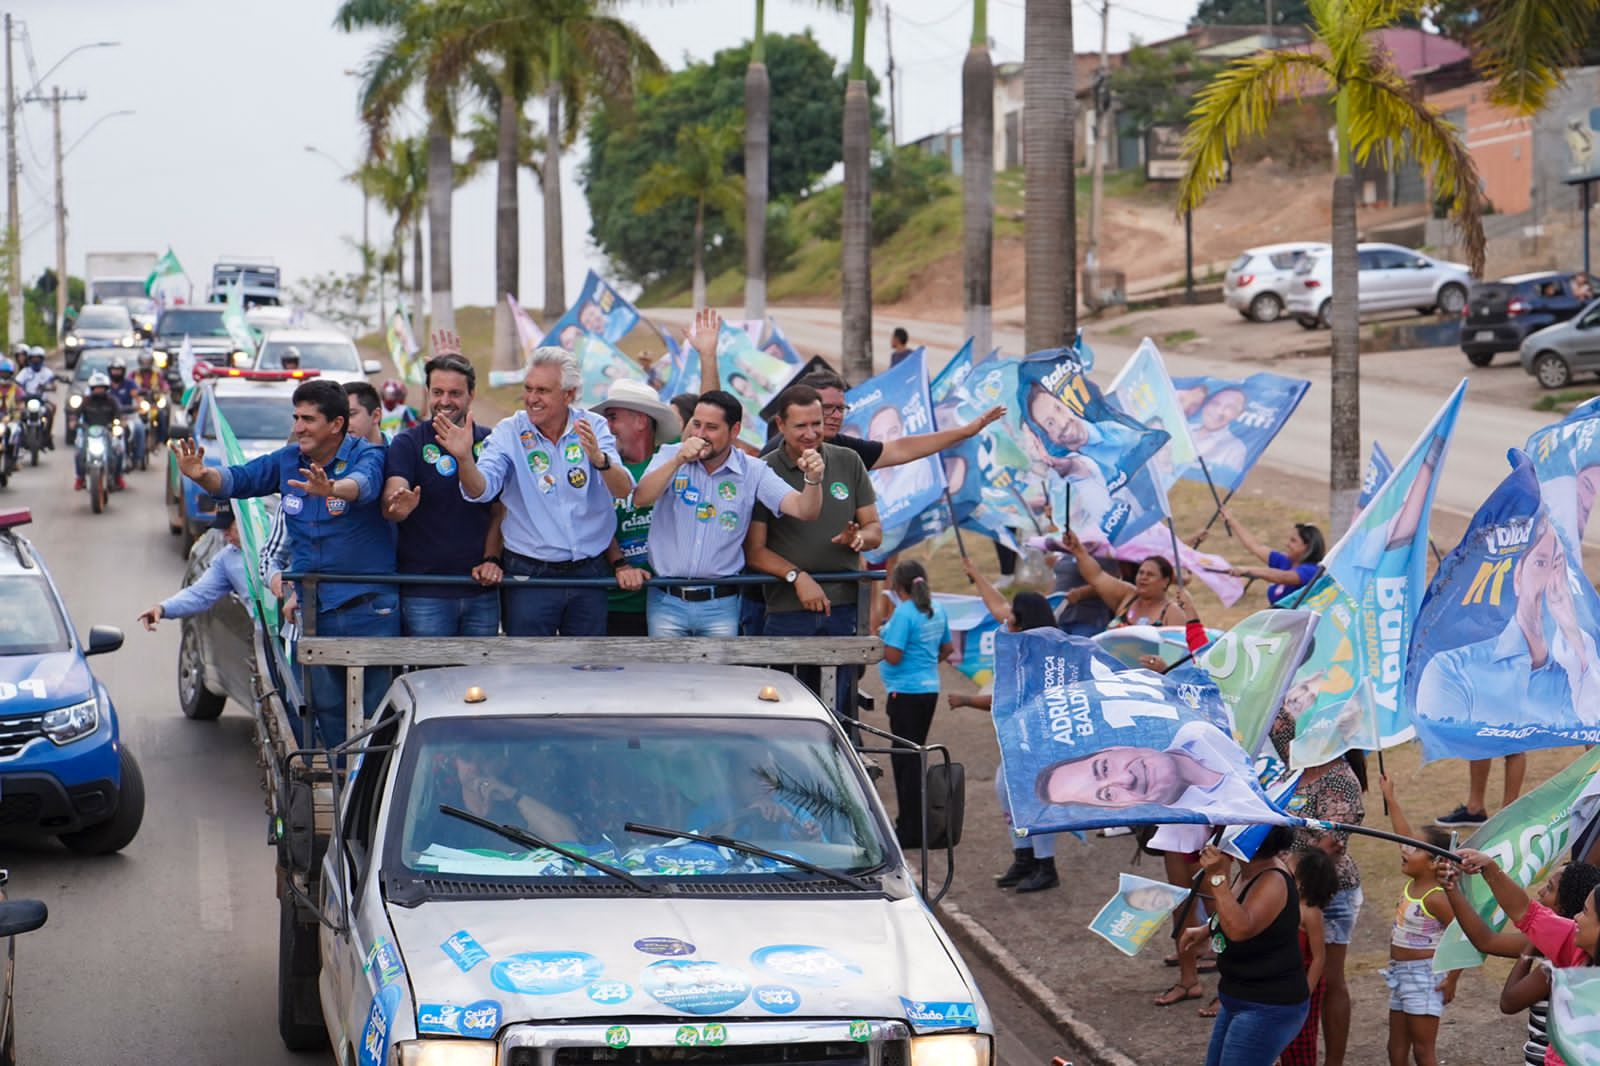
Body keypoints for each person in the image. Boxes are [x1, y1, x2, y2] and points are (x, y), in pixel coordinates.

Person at [174, 378, 397, 747]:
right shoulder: (288, 459)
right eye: (296, 417)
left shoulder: (366, 454)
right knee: (323, 712)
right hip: (312, 611)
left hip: (369, 609)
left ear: (337, 425)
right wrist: (204, 476)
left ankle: (376, 793)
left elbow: (365, 484)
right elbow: (238, 479)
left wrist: (333, 489)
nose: (297, 428)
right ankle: (339, 786)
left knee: (376, 714)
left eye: (308, 419)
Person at [441, 346, 633, 636]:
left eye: (542, 390)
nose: (531, 399)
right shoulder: (508, 431)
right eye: (528, 389)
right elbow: (481, 489)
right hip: (530, 575)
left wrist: (600, 460)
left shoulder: (594, 427)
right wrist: (464, 458)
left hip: (589, 572)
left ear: (569, 394)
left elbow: (623, 489)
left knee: (587, 672)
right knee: (528, 673)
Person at [632, 389, 821, 637]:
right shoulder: (670, 455)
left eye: (711, 427)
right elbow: (641, 499)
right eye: (696, 424)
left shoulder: (753, 470)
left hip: (721, 605)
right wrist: (677, 460)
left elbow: (803, 510)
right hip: (666, 601)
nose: (700, 434)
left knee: (720, 677)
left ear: (734, 431)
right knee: (668, 676)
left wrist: (813, 480)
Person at [745, 385, 883, 713]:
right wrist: (797, 576)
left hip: (844, 608)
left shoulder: (848, 461)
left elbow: (875, 530)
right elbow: (755, 551)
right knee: (784, 708)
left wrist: (859, 538)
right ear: (780, 425)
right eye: (800, 426)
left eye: (816, 424)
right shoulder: (764, 471)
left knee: (840, 709)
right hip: (786, 610)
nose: (811, 434)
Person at [948, 559, 1063, 893]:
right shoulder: (1023, 639)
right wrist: (977, 574)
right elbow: (997, 606)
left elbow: (1008, 700)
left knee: (1035, 798)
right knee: (1007, 792)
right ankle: (1024, 858)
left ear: (1023, 619)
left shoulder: (1040, 653)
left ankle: (1046, 865)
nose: (1006, 615)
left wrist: (967, 701)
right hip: (1019, 738)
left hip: (1040, 738)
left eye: (1014, 612)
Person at [382, 340, 505, 637]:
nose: (445, 400)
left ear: (471, 395)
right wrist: (399, 505)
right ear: (427, 394)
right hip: (425, 593)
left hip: (481, 591)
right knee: (430, 679)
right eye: (437, 392)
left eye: (455, 393)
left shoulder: (491, 442)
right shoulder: (407, 442)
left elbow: (500, 511)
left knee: (479, 681)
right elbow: (393, 495)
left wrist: (491, 560)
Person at [1269, 708, 1365, 1066]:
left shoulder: (1341, 780)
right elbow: (1271, 714)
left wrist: (1282, 868)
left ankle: (1333, 1062)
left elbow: (1328, 846)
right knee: (1292, 974)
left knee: (1329, 980)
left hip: (1327, 894)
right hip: (1286, 890)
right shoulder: (1297, 760)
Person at [1440, 859, 1600, 1066]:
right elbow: (1524, 912)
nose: (1577, 917)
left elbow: (1509, 1001)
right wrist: (1487, 866)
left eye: (1585, 912)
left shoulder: (1561, 966)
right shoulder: (1572, 943)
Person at [1178, 829, 1309, 1066]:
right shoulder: (1249, 870)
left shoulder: (1273, 879)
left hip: (1267, 1003)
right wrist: (1206, 929)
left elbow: (1240, 929)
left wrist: (1217, 878)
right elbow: (1235, 908)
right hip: (1237, 995)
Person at [761, 365, 1005, 472]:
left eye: (841, 409)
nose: (836, 416)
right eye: (827, 409)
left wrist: (966, 431)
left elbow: (900, 449)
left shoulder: (843, 449)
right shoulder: (776, 455)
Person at [1375, 775, 1458, 1066]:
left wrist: (1452, 979)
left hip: (1425, 976)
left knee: (1423, 1051)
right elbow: (1401, 834)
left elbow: (1459, 936)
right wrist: (1390, 797)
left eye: (1416, 848)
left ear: (1436, 861)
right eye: (1408, 846)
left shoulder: (1436, 897)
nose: (1406, 850)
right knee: (1395, 1048)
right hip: (1399, 972)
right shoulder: (1416, 880)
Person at [593, 379, 684, 637]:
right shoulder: (601, 467)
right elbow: (593, 520)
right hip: (612, 602)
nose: (606, 427)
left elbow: (713, 419)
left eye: (612, 418)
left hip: (671, 603)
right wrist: (621, 565)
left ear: (641, 421)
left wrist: (707, 356)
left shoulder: (674, 459)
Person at [878, 560, 953, 848]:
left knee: (905, 762)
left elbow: (894, 656)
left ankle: (909, 829)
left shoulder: (904, 614)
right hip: (928, 689)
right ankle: (919, 824)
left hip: (904, 693)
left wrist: (878, 643)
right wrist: (925, 666)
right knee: (916, 757)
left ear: (897, 586)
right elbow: (947, 648)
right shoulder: (937, 609)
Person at [136, 505, 248, 630]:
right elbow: (199, 595)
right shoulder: (226, 560)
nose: (225, 534)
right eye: (222, 528)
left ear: (245, 519)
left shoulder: (272, 542)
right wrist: (162, 609)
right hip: (263, 639)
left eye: (229, 527)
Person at [1279, 849, 1339, 1065]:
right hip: (1285, 982)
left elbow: (1318, 958)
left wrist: (1305, 993)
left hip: (1304, 985)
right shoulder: (1285, 900)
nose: (1284, 862)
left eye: (1289, 863)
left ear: (1302, 878)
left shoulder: (1310, 913)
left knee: (1301, 1038)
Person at [1056, 529, 1185, 627]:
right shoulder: (1128, 596)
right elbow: (1097, 576)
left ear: (1165, 581)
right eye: (1141, 573)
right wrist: (1078, 549)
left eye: (1150, 575)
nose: (1143, 577)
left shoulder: (1172, 613)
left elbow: (1178, 653)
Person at [1202, 505, 1325, 605]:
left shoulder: (1312, 571)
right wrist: (1231, 520)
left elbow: (1283, 577)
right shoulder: (1285, 562)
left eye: (1293, 541)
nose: (1287, 544)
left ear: (1307, 546)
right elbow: (1255, 546)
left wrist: (1248, 570)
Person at [74, 371, 125, 491]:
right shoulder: (86, 401)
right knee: (79, 454)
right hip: (89, 433)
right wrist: (74, 422)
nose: (99, 390)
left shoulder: (112, 401)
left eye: (101, 388)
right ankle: (80, 478)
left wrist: (119, 424)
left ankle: (117, 477)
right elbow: (75, 415)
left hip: (107, 433)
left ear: (106, 388)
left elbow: (119, 416)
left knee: (118, 451)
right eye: (96, 388)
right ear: (92, 389)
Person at [1188, 387, 1250, 480]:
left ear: (1239, 414)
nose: (1219, 411)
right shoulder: (1182, 429)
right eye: (1215, 403)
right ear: (1206, 405)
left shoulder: (1235, 449)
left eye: (1230, 408)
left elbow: (1223, 485)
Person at [106, 357, 147, 468]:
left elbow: (137, 396)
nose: (116, 372)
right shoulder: (105, 385)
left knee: (139, 428)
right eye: (114, 370)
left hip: (129, 415)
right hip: (111, 416)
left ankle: (137, 457)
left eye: (119, 370)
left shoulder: (129, 384)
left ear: (123, 371)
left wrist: (140, 404)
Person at [15, 347, 55, 447]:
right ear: (29, 359)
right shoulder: (25, 372)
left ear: (42, 359)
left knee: (50, 411)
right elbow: (17, 383)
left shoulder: (47, 372)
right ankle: (19, 436)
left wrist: (48, 387)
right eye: (33, 358)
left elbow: (53, 385)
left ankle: (47, 435)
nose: (36, 361)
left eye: (38, 358)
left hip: (41, 400)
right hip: (27, 399)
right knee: (18, 413)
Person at [345, 381, 386, 446]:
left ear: (376, 416)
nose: (342, 423)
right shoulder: (329, 453)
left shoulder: (401, 449)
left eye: (351, 414)